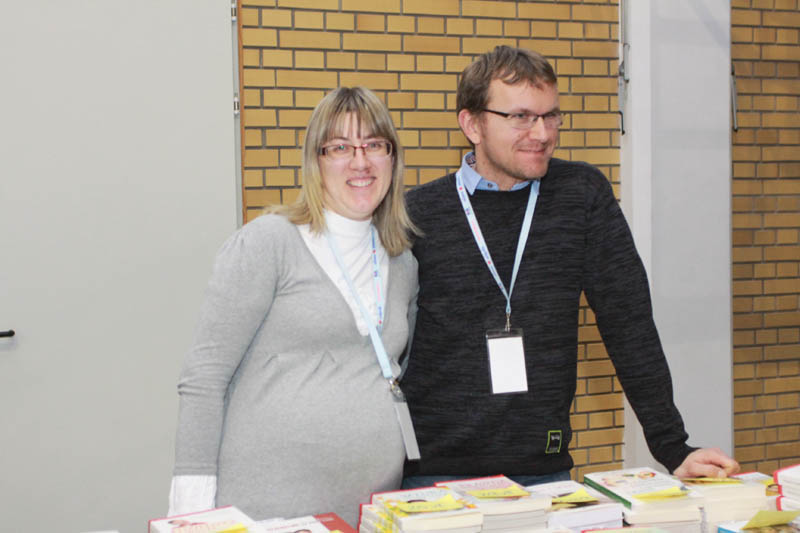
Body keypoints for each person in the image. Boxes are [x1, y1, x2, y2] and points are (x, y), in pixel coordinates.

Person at [400, 46, 739, 488]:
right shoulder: (417, 213)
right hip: (433, 476)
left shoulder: (581, 195)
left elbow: (629, 323)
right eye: (521, 117)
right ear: (472, 124)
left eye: (551, 116)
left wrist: (673, 446)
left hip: (544, 473)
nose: (542, 133)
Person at [169, 86, 419, 526]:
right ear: (315, 161)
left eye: (374, 145)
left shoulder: (402, 262)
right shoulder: (269, 243)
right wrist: (191, 513)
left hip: (368, 510)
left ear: (392, 159)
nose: (360, 162)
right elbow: (204, 379)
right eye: (340, 147)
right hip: (266, 512)